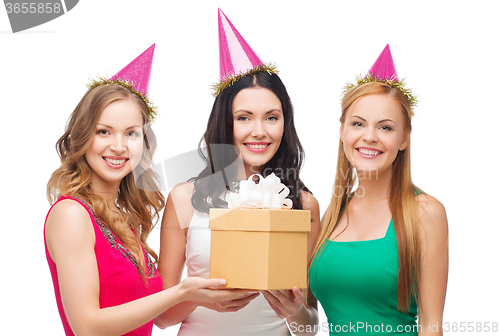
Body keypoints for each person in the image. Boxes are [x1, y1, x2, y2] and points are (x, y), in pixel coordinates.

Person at [44, 44, 253, 336]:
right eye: (103, 131)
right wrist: (181, 292)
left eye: (131, 133)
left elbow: (151, 315)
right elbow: (87, 327)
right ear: (82, 137)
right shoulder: (71, 214)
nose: (119, 146)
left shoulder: (121, 218)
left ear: (143, 141)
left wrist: (201, 294)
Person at [154, 9, 321, 336]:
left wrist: (297, 311)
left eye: (271, 117)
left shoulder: (304, 206)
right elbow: (162, 317)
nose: (259, 131)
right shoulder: (185, 199)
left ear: (285, 124)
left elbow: (310, 327)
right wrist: (199, 294)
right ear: (225, 123)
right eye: (244, 117)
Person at [309, 45, 448, 335]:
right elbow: (309, 319)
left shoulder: (424, 213)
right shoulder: (333, 213)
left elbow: (431, 325)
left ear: (404, 138)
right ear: (342, 130)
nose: (369, 137)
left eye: (385, 127)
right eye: (358, 124)